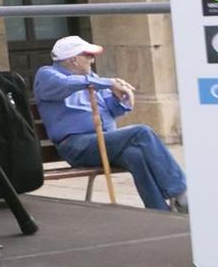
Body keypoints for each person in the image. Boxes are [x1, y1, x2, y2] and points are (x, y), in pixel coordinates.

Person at [33, 35, 188, 213]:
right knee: (141, 132)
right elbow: (67, 84)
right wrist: (109, 83)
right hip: (77, 146)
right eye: (88, 56)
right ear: (74, 60)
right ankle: (181, 194)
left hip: (105, 141)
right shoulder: (48, 75)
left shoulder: (92, 78)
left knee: (135, 155)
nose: (92, 60)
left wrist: (121, 100)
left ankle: (159, 212)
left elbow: (112, 111)